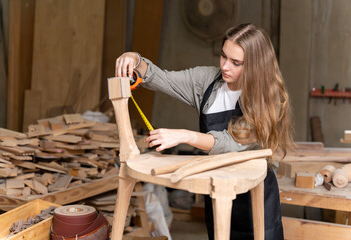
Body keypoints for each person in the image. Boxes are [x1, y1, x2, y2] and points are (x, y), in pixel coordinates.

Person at [115, 23, 294, 240]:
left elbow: (233, 142)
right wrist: (134, 59)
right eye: (223, 56)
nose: (225, 67)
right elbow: (159, 77)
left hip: (256, 196)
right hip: (217, 186)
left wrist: (185, 135)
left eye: (236, 63)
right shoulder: (207, 81)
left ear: (257, 66)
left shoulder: (268, 97)